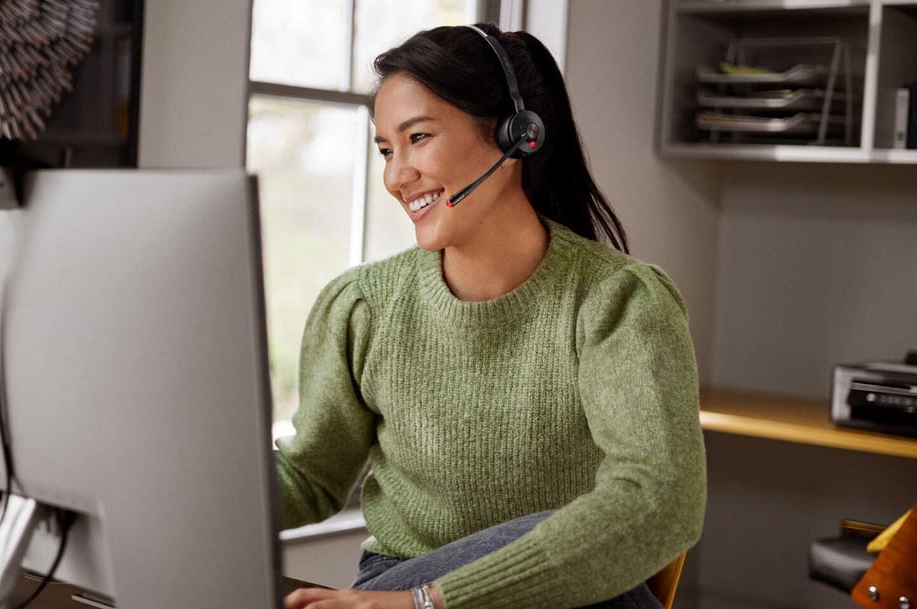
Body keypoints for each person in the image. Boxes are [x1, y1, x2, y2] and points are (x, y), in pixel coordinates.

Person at [277, 23, 706, 609]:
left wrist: (432, 603)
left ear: (517, 135)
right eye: (386, 150)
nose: (396, 177)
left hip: (516, 594)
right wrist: (173, 490)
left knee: (571, 541)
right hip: (401, 582)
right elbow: (309, 479)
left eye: (418, 137)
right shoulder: (363, 307)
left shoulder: (619, 302)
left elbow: (662, 501)